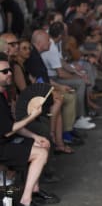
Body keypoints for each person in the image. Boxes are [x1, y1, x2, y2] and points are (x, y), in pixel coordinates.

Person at [0, 52, 51, 206]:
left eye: (9, 70)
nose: (10, 73)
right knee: (40, 153)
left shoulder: (2, 95)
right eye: (4, 72)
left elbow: (11, 127)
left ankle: (33, 189)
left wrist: (35, 137)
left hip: (6, 142)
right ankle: (25, 200)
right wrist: (31, 116)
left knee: (43, 144)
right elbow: (8, 131)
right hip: (2, 147)